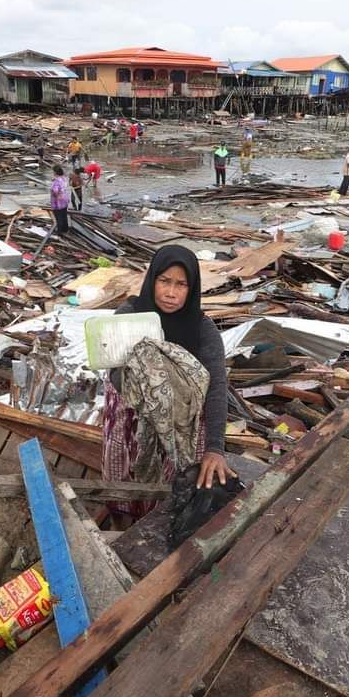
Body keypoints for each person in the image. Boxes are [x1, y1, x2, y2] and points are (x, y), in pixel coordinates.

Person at [103, 245, 236, 522]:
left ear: (192, 288)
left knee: (170, 496)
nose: (171, 292)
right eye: (164, 281)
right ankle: (120, 523)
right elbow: (115, 371)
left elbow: (216, 389)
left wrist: (215, 448)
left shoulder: (202, 330)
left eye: (181, 284)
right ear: (152, 279)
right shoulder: (129, 316)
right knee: (123, 484)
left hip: (181, 431)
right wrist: (153, 394)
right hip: (130, 425)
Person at [50, 164, 70, 235]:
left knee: (58, 217)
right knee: (64, 215)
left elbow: (55, 190)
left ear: (55, 172)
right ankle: (65, 229)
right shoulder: (64, 178)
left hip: (58, 202)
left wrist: (57, 196)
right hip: (65, 199)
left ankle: (60, 231)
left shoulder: (56, 181)